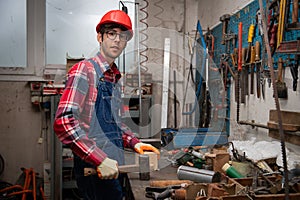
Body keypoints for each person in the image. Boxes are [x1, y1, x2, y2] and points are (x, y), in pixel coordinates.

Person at [53, 9, 160, 200]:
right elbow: (64, 122)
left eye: (123, 36)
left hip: (114, 162)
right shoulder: (84, 70)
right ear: (99, 37)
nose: (117, 40)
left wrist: (135, 143)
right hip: (94, 166)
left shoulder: (115, 77)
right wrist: (99, 159)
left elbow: (114, 124)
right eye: (111, 33)